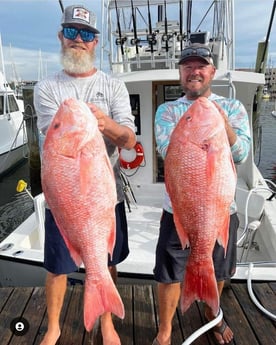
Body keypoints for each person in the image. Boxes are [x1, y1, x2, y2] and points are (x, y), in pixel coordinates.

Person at [34, 5, 136, 345]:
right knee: (56, 267)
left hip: (105, 199)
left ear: (96, 43)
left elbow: (129, 139)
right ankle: (53, 326)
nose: (79, 40)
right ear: (62, 37)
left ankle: (107, 323)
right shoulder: (47, 87)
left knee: (104, 261)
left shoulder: (114, 86)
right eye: (73, 32)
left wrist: (104, 124)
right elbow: (56, 139)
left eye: (88, 34)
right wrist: (85, 125)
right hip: (65, 200)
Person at [153, 43, 251, 345]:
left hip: (222, 209)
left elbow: (242, 153)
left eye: (201, 66)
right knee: (169, 273)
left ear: (212, 72)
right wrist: (200, 131)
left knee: (220, 268)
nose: (193, 71)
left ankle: (212, 311)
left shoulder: (232, 108)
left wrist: (222, 126)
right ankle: (166, 329)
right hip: (180, 210)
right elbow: (166, 150)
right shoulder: (167, 110)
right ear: (180, 73)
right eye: (187, 66)